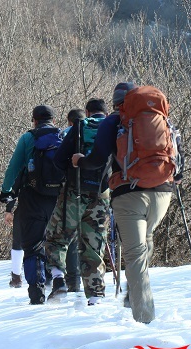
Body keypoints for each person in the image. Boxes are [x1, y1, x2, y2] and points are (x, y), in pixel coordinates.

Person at [72, 83, 184, 323]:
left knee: (134, 256)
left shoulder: (114, 121)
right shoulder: (161, 118)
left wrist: (80, 161)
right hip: (163, 193)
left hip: (129, 193)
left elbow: (98, 159)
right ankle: (134, 292)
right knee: (146, 242)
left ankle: (144, 319)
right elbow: (179, 161)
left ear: (116, 103)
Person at [46, 99, 110, 305]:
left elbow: (58, 160)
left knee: (57, 238)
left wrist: (71, 173)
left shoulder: (81, 127)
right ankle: (95, 296)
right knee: (93, 247)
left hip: (74, 194)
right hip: (101, 196)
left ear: (88, 112)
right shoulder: (114, 128)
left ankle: (58, 282)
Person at [0, 105, 62, 305]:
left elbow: (14, 167)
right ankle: (60, 281)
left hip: (31, 198)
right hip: (57, 199)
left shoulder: (28, 138)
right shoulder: (63, 136)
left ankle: (37, 293)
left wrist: (6, 191)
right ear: (54, 119)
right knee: (58, 243)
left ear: (34, 120)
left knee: (33, 246)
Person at [60, 109, 85, 292]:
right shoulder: (98, 132)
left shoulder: (66, 134)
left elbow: (58, 160)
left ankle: (73, 282)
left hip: (71, 191)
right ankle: (91, 285)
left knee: (68, 237)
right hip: (97, 191)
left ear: (70, 122)